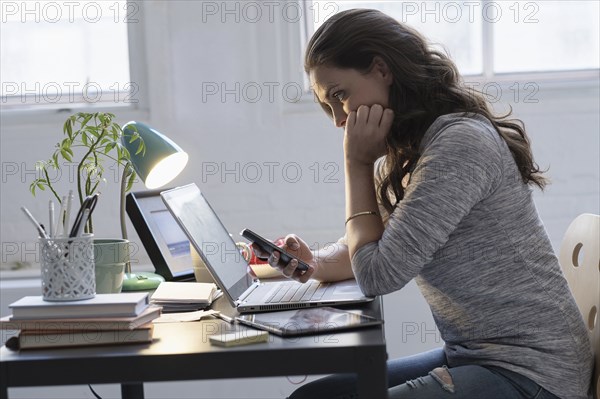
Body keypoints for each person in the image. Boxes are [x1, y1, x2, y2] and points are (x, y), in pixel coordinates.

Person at [258, 8, 593, 399]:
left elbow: (378, 275)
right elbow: (370, 250)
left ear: (381, 69)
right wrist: (313, 263)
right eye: (327, 105)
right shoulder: (416, 149)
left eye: (340, 95)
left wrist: (357, 163)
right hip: (475, 356)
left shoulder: (459, 144)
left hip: (533, 373)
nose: (338, 120)